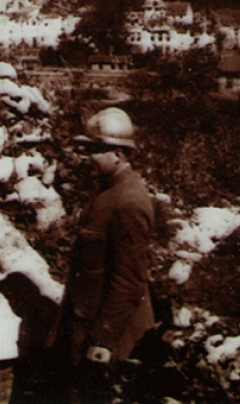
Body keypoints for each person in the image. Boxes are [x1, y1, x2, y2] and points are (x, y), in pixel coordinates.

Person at [49, 107, 158, 404]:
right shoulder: (108, 192)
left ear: (120, 154)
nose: (87, 158)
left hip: (112, 338)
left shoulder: (129, 201)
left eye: (96, 149)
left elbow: (129, 281)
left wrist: (103, 340)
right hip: (89, 325)